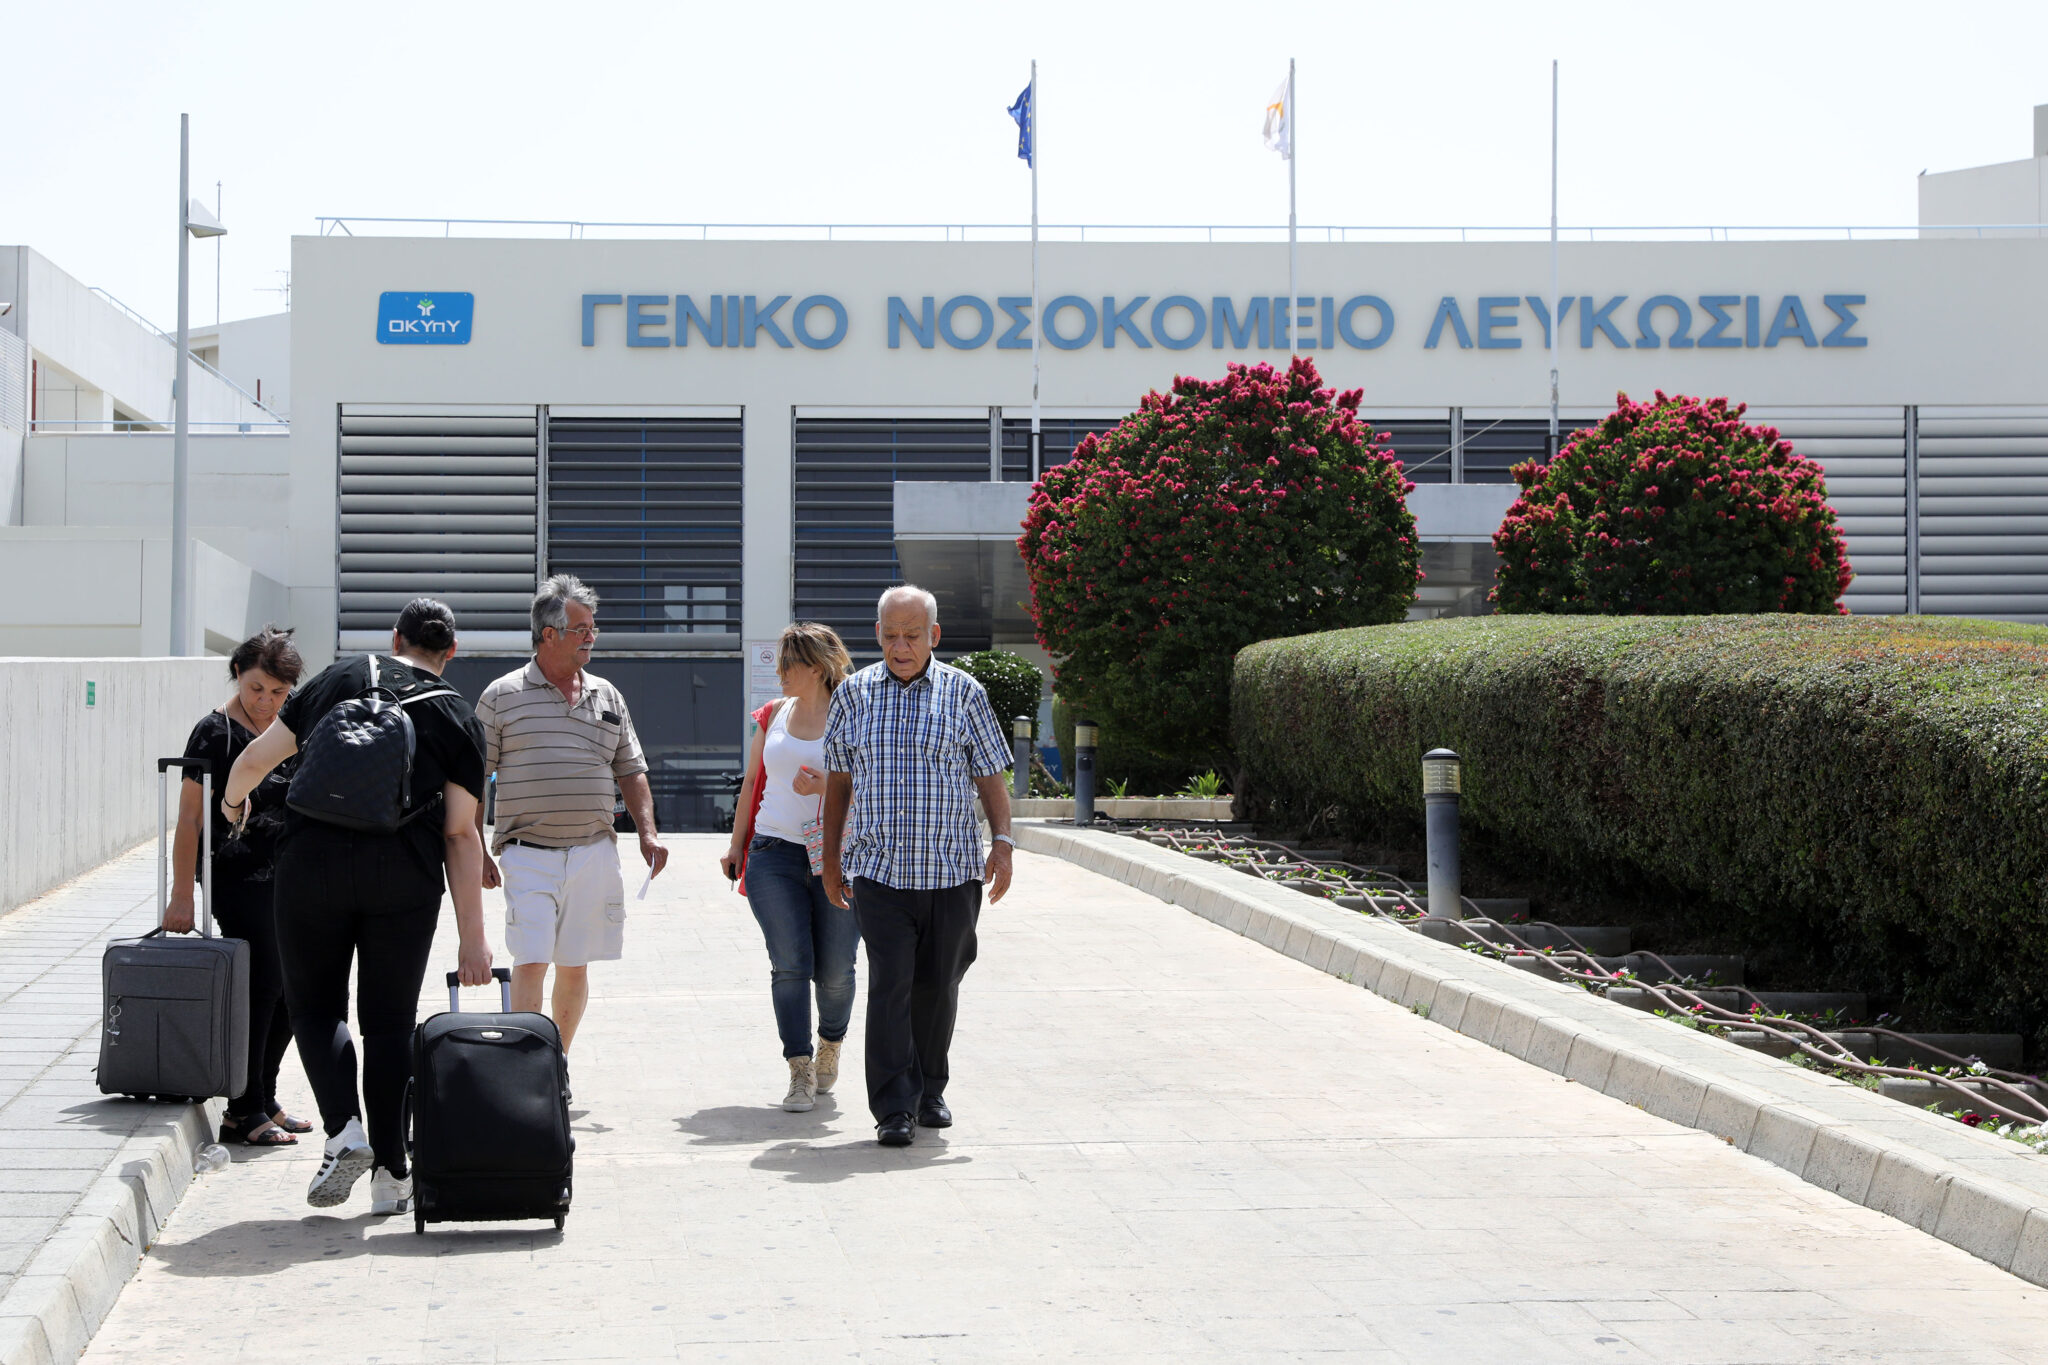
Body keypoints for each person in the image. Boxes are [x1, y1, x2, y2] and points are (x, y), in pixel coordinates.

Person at [223, 598, 493, 1215]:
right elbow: (460, 833)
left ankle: (344, 1131)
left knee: (316, 1007)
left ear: (394, 638)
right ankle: (392, 1174)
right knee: (389, 1022)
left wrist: (233, 807)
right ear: (450, 652)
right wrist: (472, 939)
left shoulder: (340, 677)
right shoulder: (457, 714)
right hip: (404, 876)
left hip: (310, 864)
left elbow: (255, 761)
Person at [821, 585, 1016, 1147]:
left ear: (934, 636)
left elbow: (990, 776)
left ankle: (930, 1089)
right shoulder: (853, 695)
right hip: (879, 872)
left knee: (939, 985)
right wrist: (831, 860)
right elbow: (838, 784)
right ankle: (893, 1107)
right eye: (890, 636)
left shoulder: (965, 694)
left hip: (952, 873)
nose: (900, 647)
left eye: (911, 635)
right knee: (890, 986)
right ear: (877, 634)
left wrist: (1002, 843)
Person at [475, 575, 668, 1060]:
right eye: (581, 629)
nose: (591, 637)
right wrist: (476, 849)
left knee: (575, 963)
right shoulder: (500, 695)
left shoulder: (608, 695)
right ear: (549, 634)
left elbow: (632, 769)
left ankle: (554, 1064)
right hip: (527, 853)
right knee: (532, 958)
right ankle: (522, 1067)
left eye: (592, 628)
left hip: (593, 851)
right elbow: (474, 780)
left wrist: (647, 833)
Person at [167, 627, 308, 1148]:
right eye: (256, 689)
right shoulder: (214, 733)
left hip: (288, 877)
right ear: (236, 676)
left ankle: (263, 1096)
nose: (266, 702)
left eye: (278, 692)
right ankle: (242, 1110)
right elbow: (188, 819)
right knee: (264, 984)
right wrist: (182, 893)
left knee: (293, 992)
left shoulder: (291, 729)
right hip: (235, 876)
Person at [720, 622, 859, 1113]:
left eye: (788, 664)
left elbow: (877, 783)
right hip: (772, 852)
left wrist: (826, 786)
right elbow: (751, 782)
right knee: (789, 964)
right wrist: (736, 846)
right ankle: (799, 1068)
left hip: (836, 854)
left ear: (817, 668)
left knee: (836, 970)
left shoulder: (854, 714)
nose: (779, 672)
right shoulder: (775, 714)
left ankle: (830, 1043)